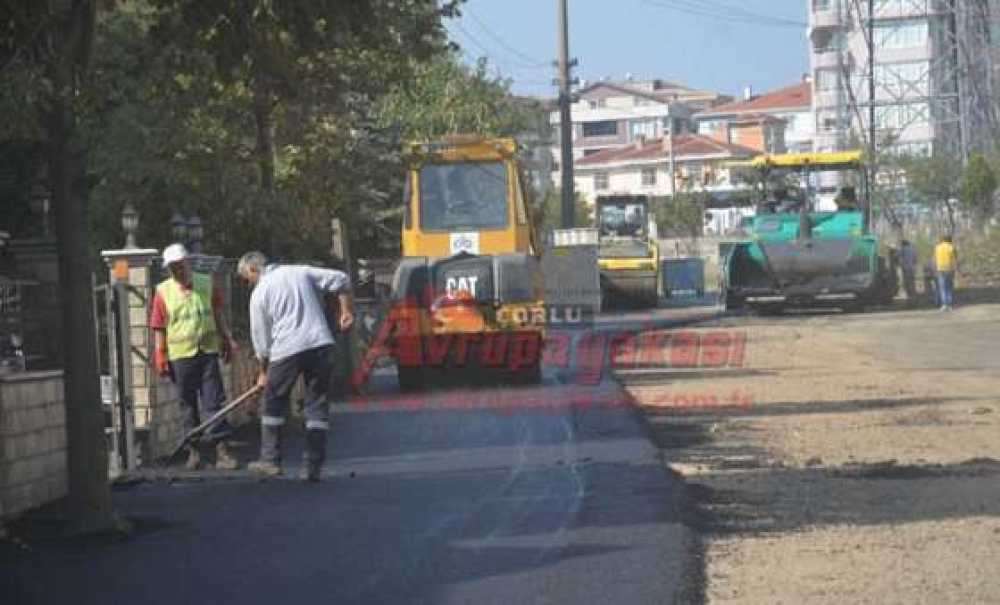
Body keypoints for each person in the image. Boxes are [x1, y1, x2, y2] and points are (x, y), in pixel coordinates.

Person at [237, 251, 354, 481]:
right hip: (319, 344)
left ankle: (270, 460)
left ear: (253, 269)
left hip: (286, 350)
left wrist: (263, 371)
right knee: (317, 406)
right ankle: (313, 466)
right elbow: (342, 280)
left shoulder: (260, 293)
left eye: (246, 278)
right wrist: (346, 310)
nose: (248, 283)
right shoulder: (299, 271)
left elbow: (261, 339)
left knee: (273, 402)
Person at [150, 243, 239, 470]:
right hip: (180, 356)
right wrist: (160, 353)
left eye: (180, 266)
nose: (178, 271)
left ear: (187, 263)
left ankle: (222, 451)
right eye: (173, 268)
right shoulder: (163, 292)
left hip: (207, 351)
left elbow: (217, 313)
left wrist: (226, 338)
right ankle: (195, 452)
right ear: (168, 269)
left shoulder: (206, 282)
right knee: (187, 404)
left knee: (214, 402)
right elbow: (159, 326)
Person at [934, 234, 958, 311]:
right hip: (949, 269)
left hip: (940, 269)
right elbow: (955, 258)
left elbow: (935, 258)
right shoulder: (952, 247)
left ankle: (944, 304)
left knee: (942, 287)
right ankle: (950, 304)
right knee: (949, 287)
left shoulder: (937, 247)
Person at [898, 239, 918, 305]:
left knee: (907, 285)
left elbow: (896, 256)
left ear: (903, 244)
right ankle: (914, 300)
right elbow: (915, 259)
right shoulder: (913, 249)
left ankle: (910, 301)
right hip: (912, 269)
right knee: (912, 284)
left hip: (906, 269)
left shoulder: (902, 249)